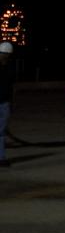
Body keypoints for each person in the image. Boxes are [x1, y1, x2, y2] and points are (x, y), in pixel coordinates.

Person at [0, 41, 14, 169]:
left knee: (1, 132)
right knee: (1, 133)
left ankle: (1, 157)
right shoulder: (9, 68)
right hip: (4, 103)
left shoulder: (9, 68)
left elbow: (10, 88)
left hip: (4, 103)